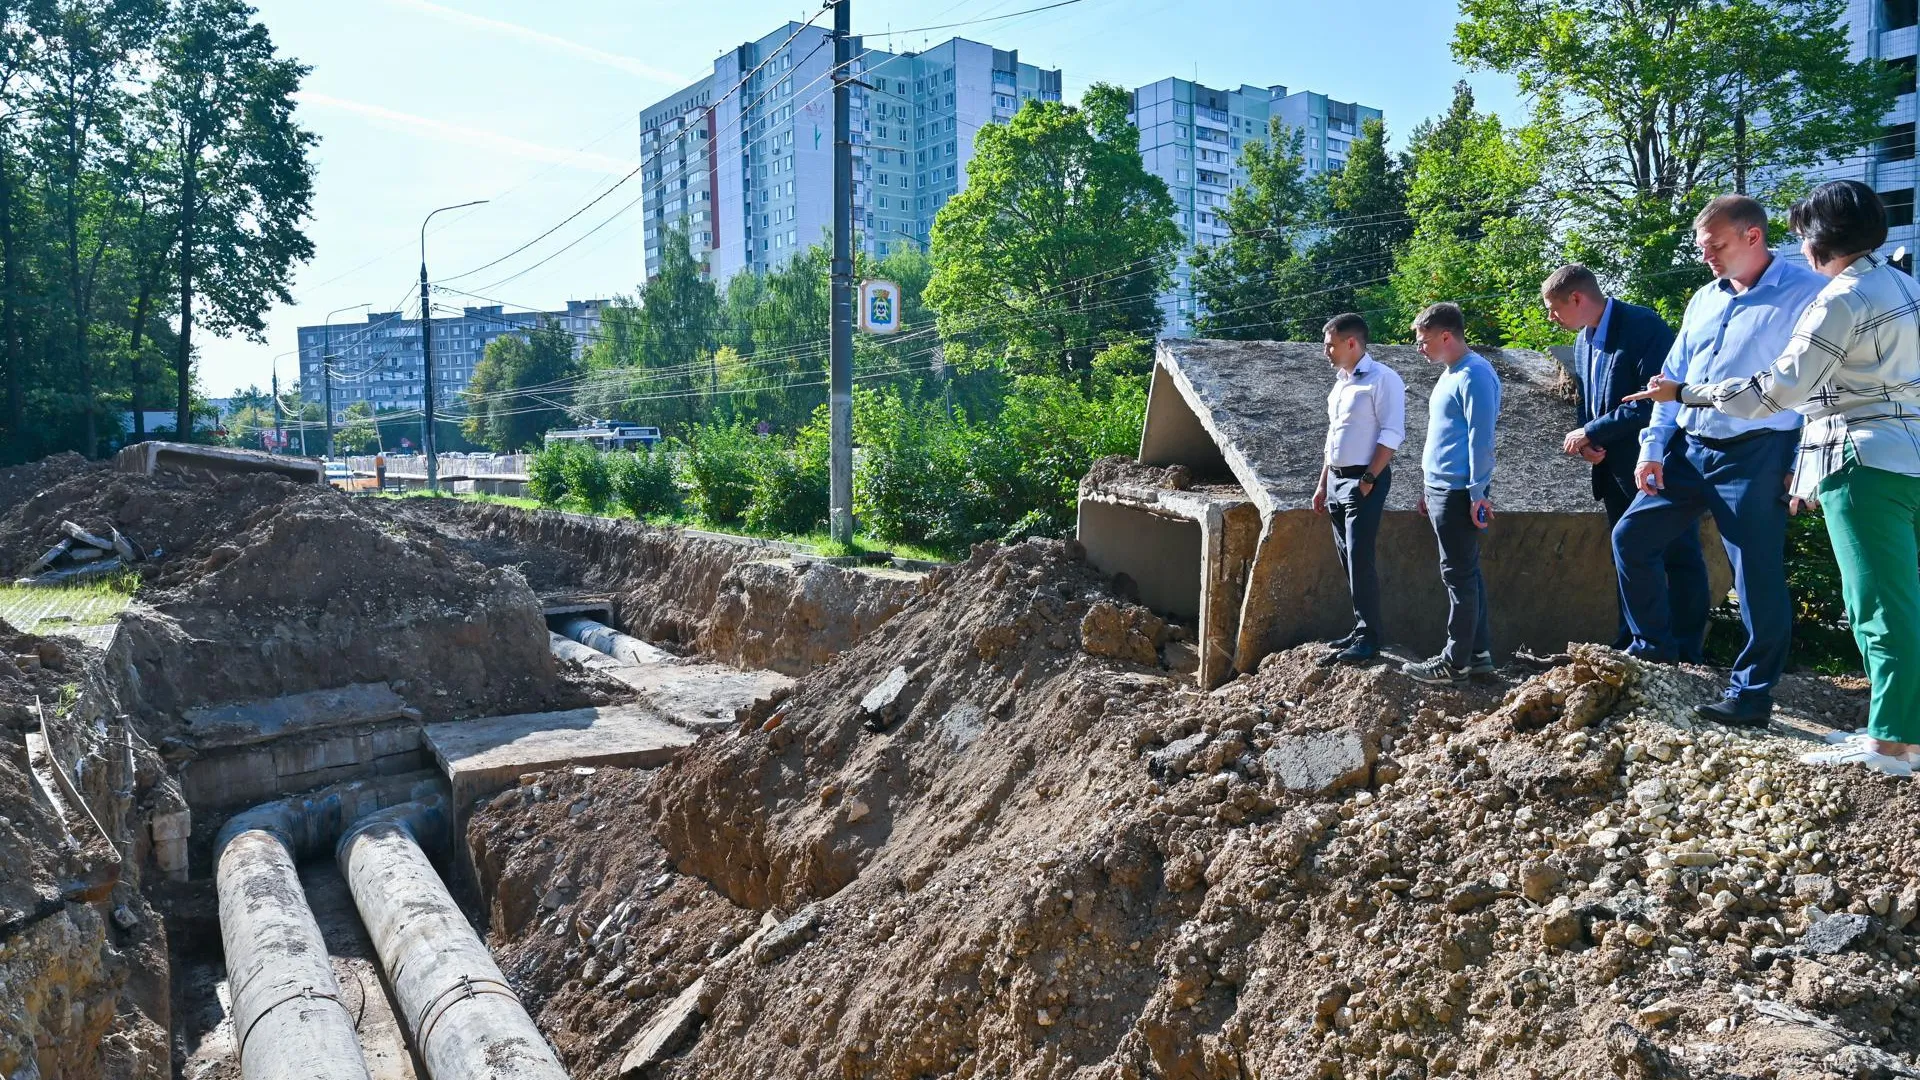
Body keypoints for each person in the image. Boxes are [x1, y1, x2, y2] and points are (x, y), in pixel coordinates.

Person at [1627, 180, 1920, 775]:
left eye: (1801, 233)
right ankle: (1894, 732)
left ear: (1818, 238)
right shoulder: (1902, 285)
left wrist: (1688, 394)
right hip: (1895, 453)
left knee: (1877, 606)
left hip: (1854, 457)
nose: (1799, 245)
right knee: (1890, 599)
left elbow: (1779, 391)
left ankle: (1889, 744)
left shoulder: (1836, 296)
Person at [1614, 194, 1825, 726]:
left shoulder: (1809, 295)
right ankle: (1654, 651)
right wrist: (1653, 447)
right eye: (1702, 246)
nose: (1705, 255)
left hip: (1758, 453)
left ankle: (1751, 695)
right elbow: (1669, 380)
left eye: (1715, 245)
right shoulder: (1703, 298)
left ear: (1753, 236)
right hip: (1689, 449)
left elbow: (1820, 388)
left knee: (1755, 575)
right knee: (1631, 537)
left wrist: (1802, 464)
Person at [1540, 264, 1711, 655]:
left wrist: (1593, 431)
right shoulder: (1584, 341)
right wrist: (1587, 439)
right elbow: (1588, 402)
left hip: (1656, 463)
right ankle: (1632, 640)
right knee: (1627, 554)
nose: (1552, 318)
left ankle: (1686, 649)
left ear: (1578, 298)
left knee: (1679, 555)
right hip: (1613, 469)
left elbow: (1653, 402)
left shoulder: (1643, 326)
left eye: (1554, 308)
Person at [1402, 302, 1501, 687]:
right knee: (1465, 573)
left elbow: (1481, 438)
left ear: (1446, 336)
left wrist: (1478, 493)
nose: (1419, 348)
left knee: (1458, 575)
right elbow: (1445, 436)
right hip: (1442, 487)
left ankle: (1454, 662)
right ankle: (1478, 655)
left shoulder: (1475, 374)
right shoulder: (1450, 373)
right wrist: (1427, 486)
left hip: (1461, 491)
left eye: (1423, 341)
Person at [1312, 312, 1407, 665]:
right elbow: (1333, 436)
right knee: (1346, 558)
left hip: (1364, 480)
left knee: (1360, 557)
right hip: (1336, 479)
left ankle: (1370, 638)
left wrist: (1368, 480)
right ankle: (1359, 628)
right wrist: (1323, 483)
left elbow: (1392, 433)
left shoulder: (1383, 379)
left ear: (1352, 343)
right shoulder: (1341, 383)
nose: (1326, 352)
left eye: (1330, 345)